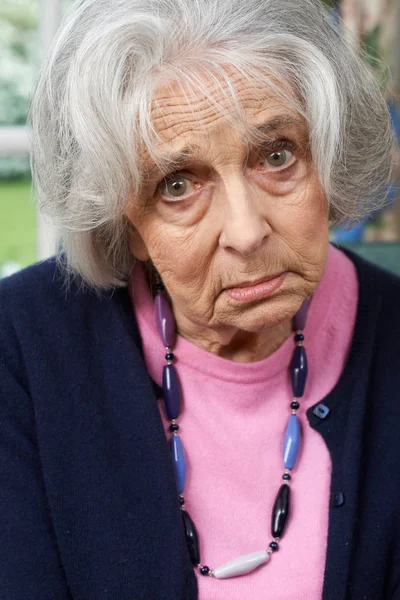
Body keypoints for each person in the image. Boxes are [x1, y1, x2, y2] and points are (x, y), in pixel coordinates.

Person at [1, 0, 399, 598]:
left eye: (277, 155)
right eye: (177, 185)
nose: (245, 231)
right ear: (126, 221)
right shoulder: (19, 350)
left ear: (328, 155)